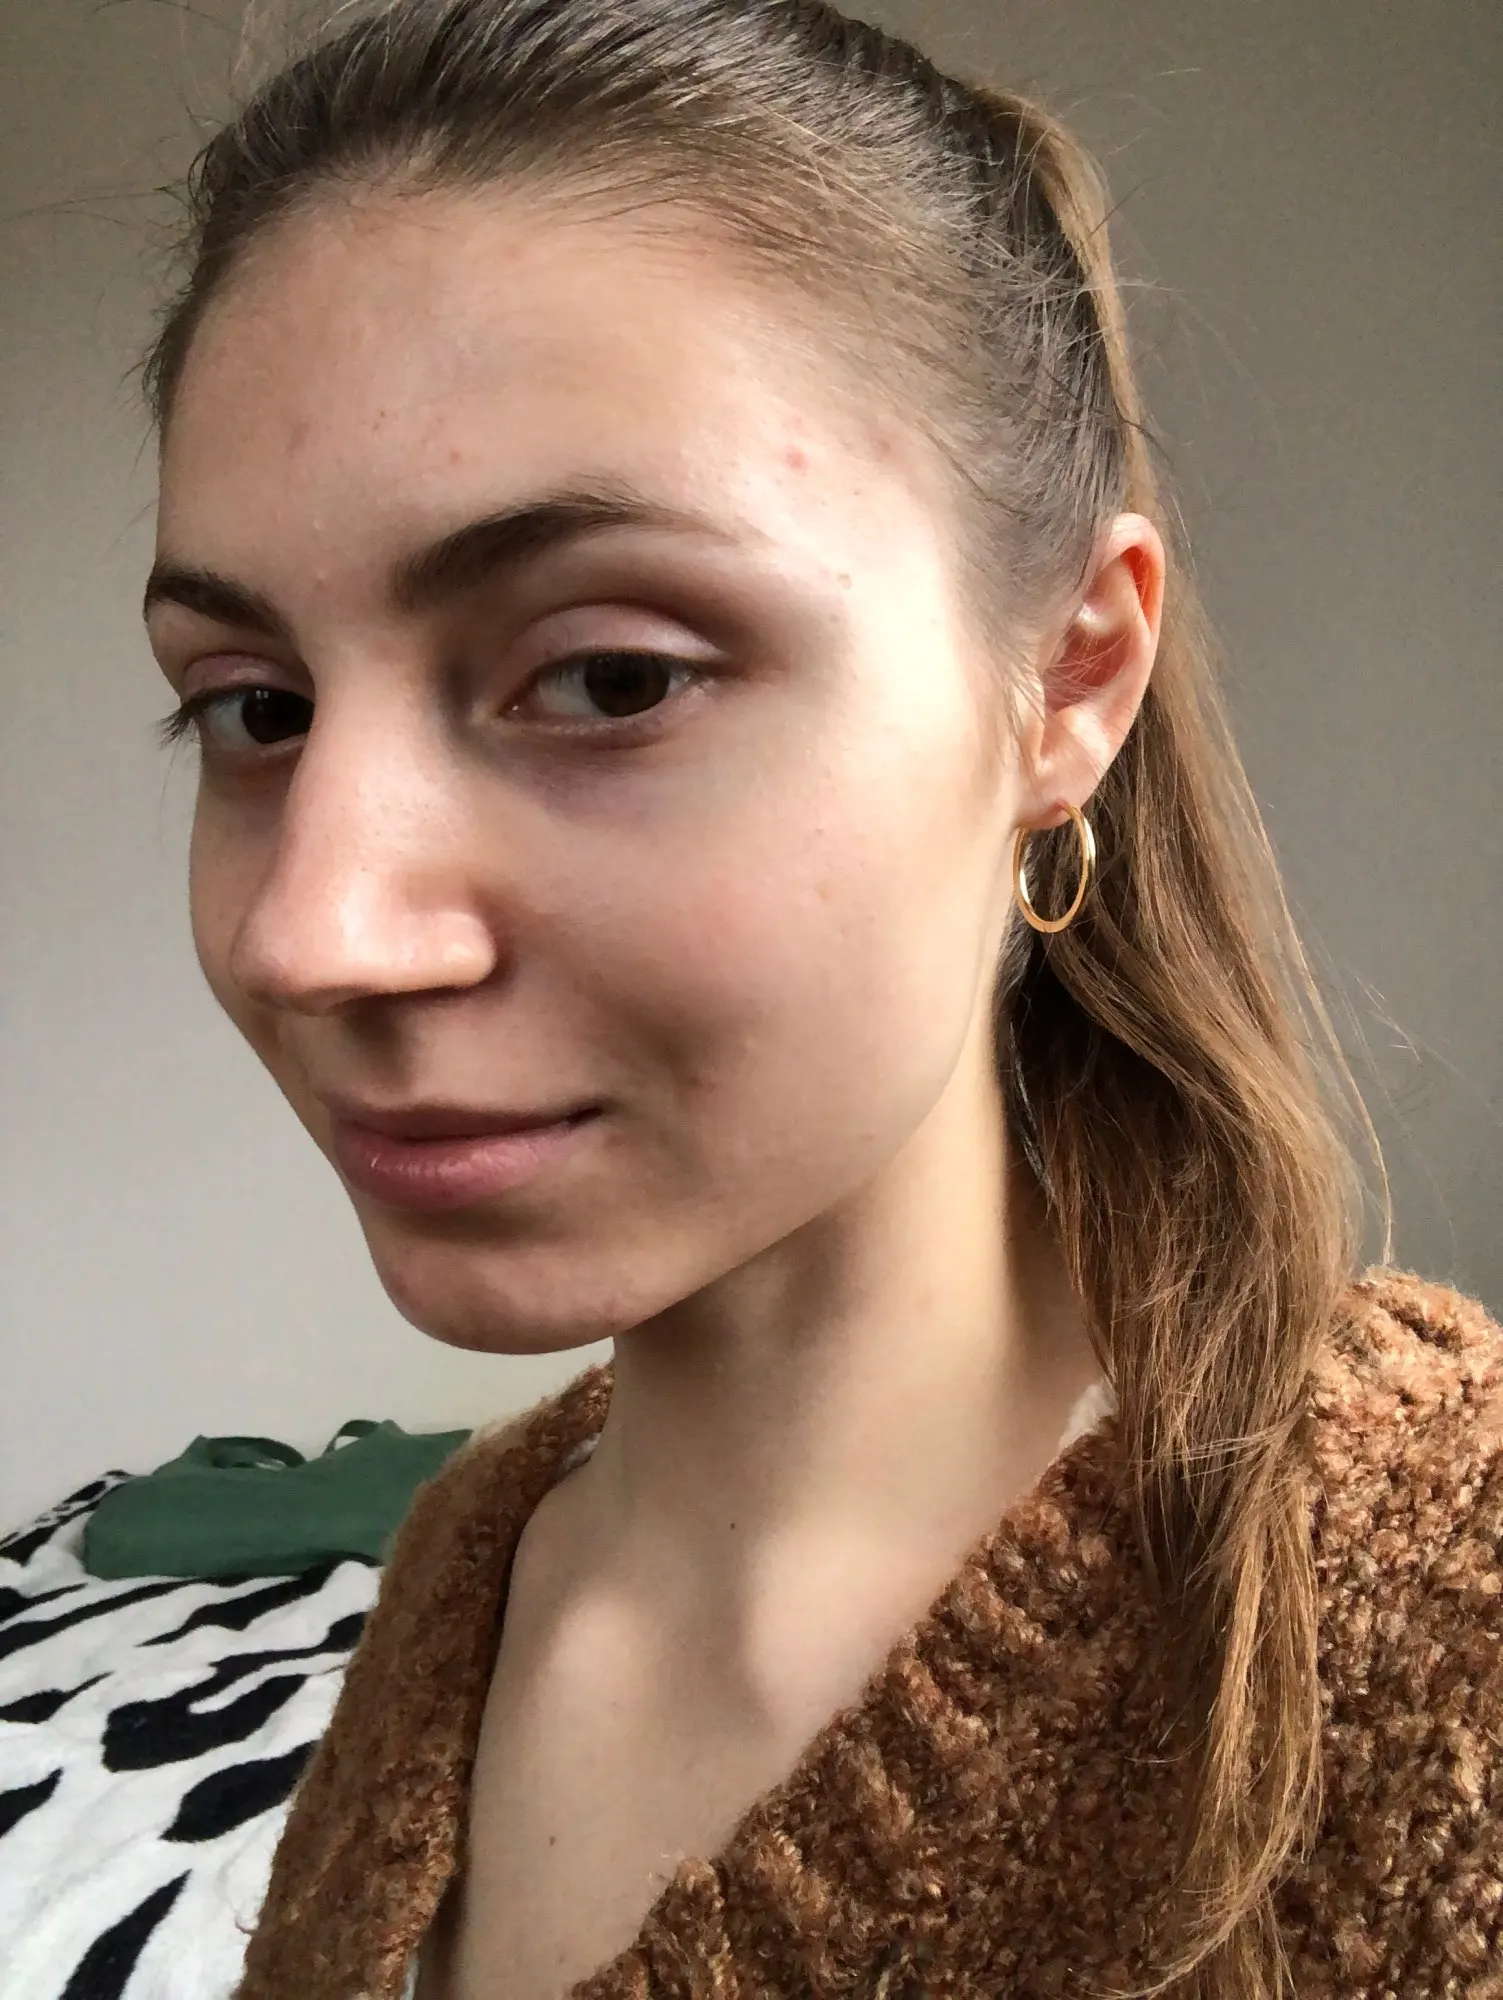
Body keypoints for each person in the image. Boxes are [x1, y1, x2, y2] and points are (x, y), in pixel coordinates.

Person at [136, 1, 1502, 1995]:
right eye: (255, 710)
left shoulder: (1447, 1614)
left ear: (1068, 680)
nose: (312, 933)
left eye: (609, 677)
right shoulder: (461, 1567)